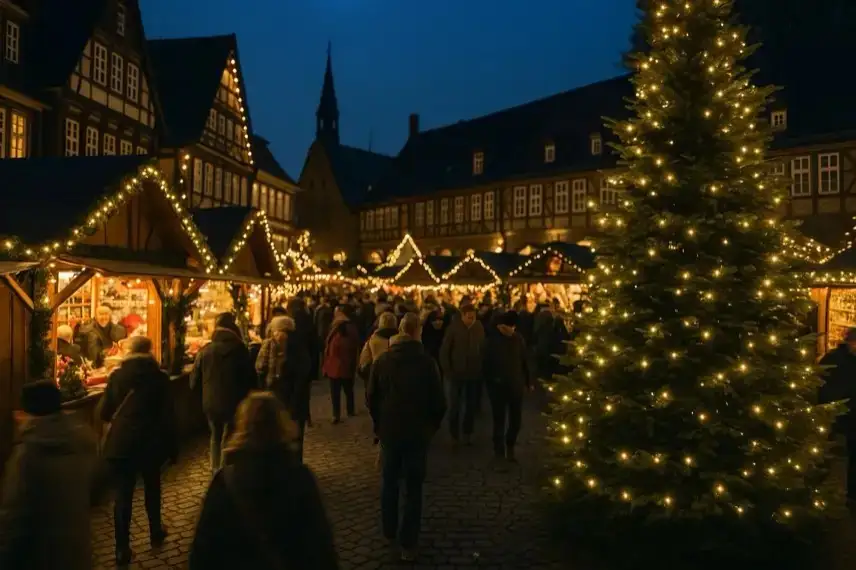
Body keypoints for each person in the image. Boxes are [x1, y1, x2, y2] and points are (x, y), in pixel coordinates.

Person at [189, 392, 339, 570]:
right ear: (281, 426)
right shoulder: (299, 477)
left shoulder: (224, 482)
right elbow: (321, 547)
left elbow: (202, 551)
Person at [368, 313, 446, 562]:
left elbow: (371, 397)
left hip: (390, 432)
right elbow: (439, 402)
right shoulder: (427, 363)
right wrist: (430, 428)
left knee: (389, 481)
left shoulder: (383, 361)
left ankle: (389, 530)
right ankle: (408, 542)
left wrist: (379, 424)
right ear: (416, 333)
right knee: (413, 488)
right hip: (417, 433)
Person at [0, 381, 97, 570]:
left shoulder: (28, 454)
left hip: (40, 556)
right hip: (77, 551)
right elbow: (96, 487)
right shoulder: (81, 438)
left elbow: (14, 513)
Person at [100, 336, 176, 565]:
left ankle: (122, 548)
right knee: (152, 488)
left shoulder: (118, 376)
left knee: (123, 495)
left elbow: (105, 412)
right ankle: (155, 530)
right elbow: (169, 415)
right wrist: (173, 447)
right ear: (150, 351)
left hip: (123, 443)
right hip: (150, 443)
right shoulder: (160, 378)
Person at [190, 312, 256, 472]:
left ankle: (215, 469)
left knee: (215, 435)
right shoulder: (240, 350)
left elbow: (193, 381)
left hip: (211, 402)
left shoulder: (205, 351)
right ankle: (226, 468)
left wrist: (203, 395)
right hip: (234, 400)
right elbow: (250, 377)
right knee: (229, 435)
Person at [257, 316, 312, 461]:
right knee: (292, 438)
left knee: (286, 437)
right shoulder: (280, 346)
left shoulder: (292, 348)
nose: (275, 334)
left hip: (285, 399)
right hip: (291, 400)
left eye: (277, 331)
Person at [483, 311, 532, 462]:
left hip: (515, 385)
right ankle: (499, 450)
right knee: (499, 420)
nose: (512, 330)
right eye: (509, 327)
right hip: (498, 387)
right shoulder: (491, 342)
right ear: (500, 327)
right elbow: (485, 366)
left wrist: (528, 382)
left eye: (513, 327)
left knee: (516, 419)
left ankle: (510, 444)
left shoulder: (518, 339)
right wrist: (492, 382)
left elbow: (525, 361)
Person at [819, 327, 856, 504]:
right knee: (832, 453)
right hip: (837, 412)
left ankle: (849, 494)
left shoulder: (832, 358)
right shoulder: (834, 359)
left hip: (848, 413)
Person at [440, 303, 485, 445]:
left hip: (473, 373)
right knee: (454, 406)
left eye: (474, 317)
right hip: (455, 374)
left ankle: (467, 433)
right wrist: (448, 370)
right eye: (469, 317)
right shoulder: (453, 329)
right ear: (462, 316)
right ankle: (454, 435)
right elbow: (445, 351)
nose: (471, 320)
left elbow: (483, 348)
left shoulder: (478, 328)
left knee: (471, 406)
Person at [322, 305, 362, 423]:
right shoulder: (350, 327)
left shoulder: (338, 328)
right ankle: (348, 410)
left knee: (337, 391)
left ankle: (337, 414)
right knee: (347, 389)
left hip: (337, 363)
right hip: (344, 363)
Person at [358, 312, 398, 383]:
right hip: (396, 379)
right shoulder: (400, 340)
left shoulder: (372, 340)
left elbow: (364, 361)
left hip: (376, 378)